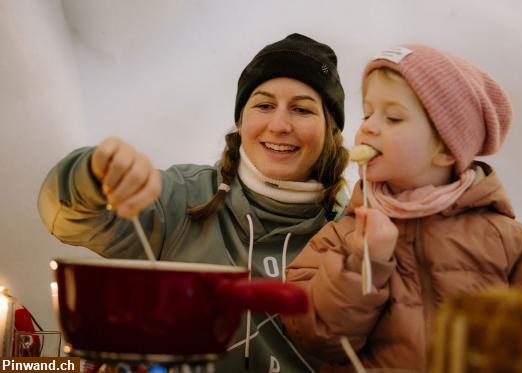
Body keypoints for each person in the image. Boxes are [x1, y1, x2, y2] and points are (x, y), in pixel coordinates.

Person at [38, 33, 349, 372]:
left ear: (330, 130)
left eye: (302, 109)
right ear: (241, 120)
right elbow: (65, 216)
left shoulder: (354, 231)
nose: (279, 125)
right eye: (264, 105)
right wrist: (94, 174)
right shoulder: (184, 198)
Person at [281, 44, 522, 371]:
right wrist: (364, 262)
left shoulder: (509, 242)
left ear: (445, 151)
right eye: (368, 113)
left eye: (394, 117)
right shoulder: (343, 237)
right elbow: (315, 334)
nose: (368, 126)